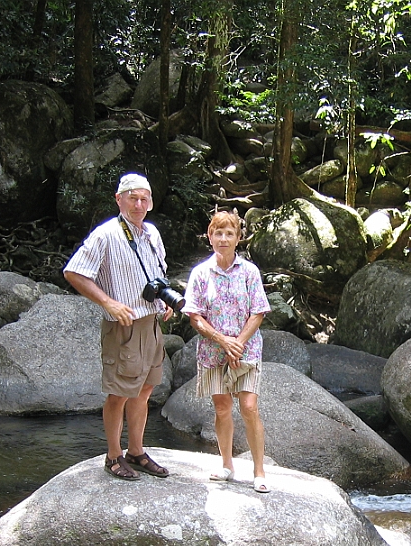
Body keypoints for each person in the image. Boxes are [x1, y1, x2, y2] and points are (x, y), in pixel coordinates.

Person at [63, 173, 172, 481]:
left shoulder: (151, 233)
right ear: (119, 199)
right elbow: (74, 272)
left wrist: (164, 302)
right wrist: (108, 303)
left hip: (151, 323)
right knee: (119, 394)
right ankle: (113, 456)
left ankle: (136, 451)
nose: (139, 204)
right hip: (123, 326)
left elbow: (157, 274)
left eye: (144, 199)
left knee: (145, 390)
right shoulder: (106, 234)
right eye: (133, 198)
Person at [183, 210, 272, 493]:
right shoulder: (200, 273)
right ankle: (226, 464)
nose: (223, 238)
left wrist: (239, 343)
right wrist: (223, 341)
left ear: (238, 238)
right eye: (218, 233)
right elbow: (194, 316)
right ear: (210, 237)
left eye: (229, 233)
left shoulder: (249, 272)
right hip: (213, 351)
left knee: (248, 407)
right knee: (222, 409)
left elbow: (258, 312)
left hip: (246, 351)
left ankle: (259, 471)